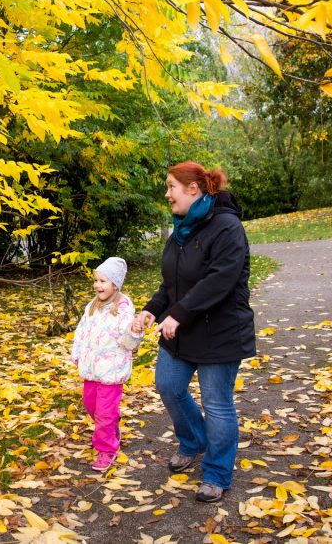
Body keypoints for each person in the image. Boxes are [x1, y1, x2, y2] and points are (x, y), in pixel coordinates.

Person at [138, 162, 256, 503]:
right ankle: (193, 441)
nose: (167, 194)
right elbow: (172, 281)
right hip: (182, 329)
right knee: (168, 385)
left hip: (220, 331)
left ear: (193, 189)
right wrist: (153, 308)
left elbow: (220, 279)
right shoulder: (181, 229)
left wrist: (178, 314)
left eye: (171, 186)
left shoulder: (227, 227)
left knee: (217, 404)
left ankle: (217, 473)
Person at [71, 256, 145, 471]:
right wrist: (77, 352)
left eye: (103, 281)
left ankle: (107, 449)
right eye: (96, 280)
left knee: (104, 413)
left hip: (111, 371)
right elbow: (81, 331)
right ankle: (111, 425)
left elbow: (128, 343)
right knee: (91, 405)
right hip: (91, 369)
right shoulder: (92, 306)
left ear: (115, 284)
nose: (97, 285)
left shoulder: (123, 309)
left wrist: (134, 332)